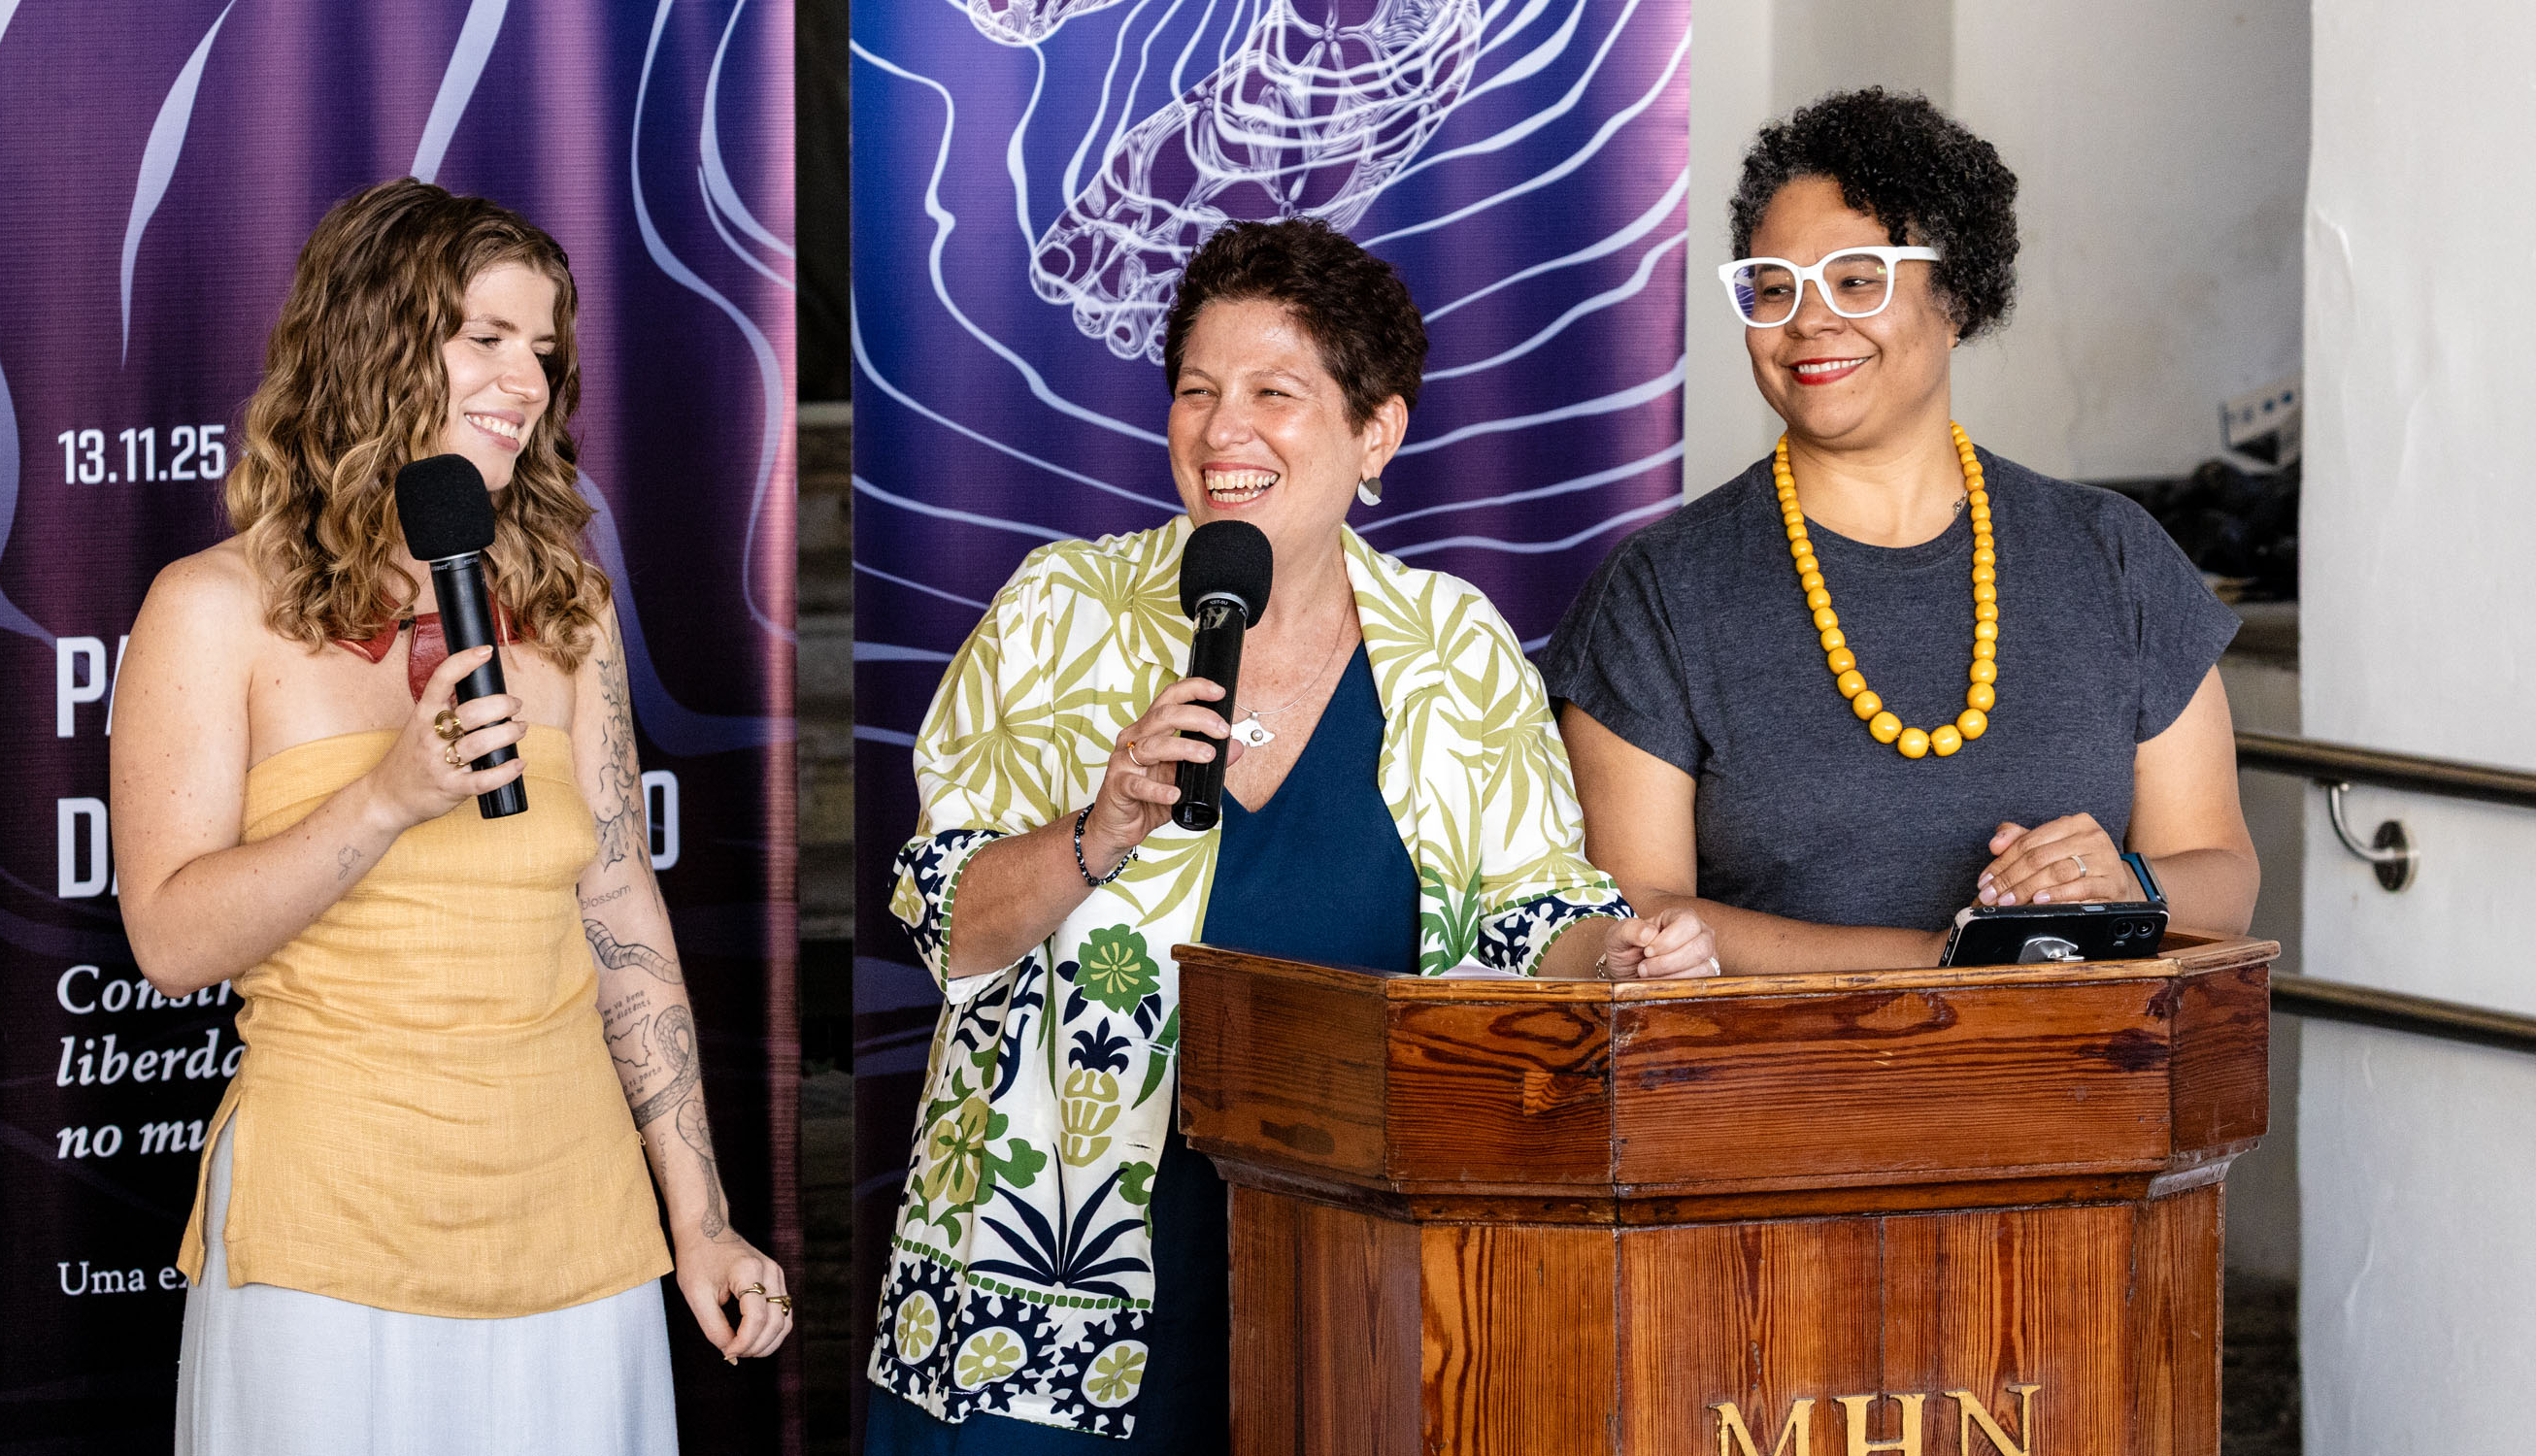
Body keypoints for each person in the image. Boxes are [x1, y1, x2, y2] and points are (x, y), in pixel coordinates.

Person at [864, 217, 1718, 1452]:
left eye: (1275, 392)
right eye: (1196, 391)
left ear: (1378, 431)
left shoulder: (1455, 643)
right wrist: (1097, 829)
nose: (1224, 431)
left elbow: (1536, 917)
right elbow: (946, 921)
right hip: (1039, 1296)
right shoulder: (1057, 614)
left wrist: (1618, 958)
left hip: (1358, 1287)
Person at [110, 178, 789, 1456]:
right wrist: (387, 798)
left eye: (544, 351)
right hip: (327, 1234)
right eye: (486, 338)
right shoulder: (210, 608)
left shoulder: (569, 607)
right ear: (372, 343)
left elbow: (620, 915)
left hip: (581, 1227)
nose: (526, 383)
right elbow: (171, 941)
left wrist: (698, 1219)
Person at [1544, 88, 2258, 974]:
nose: (1808, 320)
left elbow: (2223, 879)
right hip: (1771, 1066)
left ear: (1956, 300)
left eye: (1856, 280)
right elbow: (1638, 911)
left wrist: (2127, 883)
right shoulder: (1659, 589)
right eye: (1775, 288)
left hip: (2084, 1060)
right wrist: (1940, 963)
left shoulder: (2113, 555)